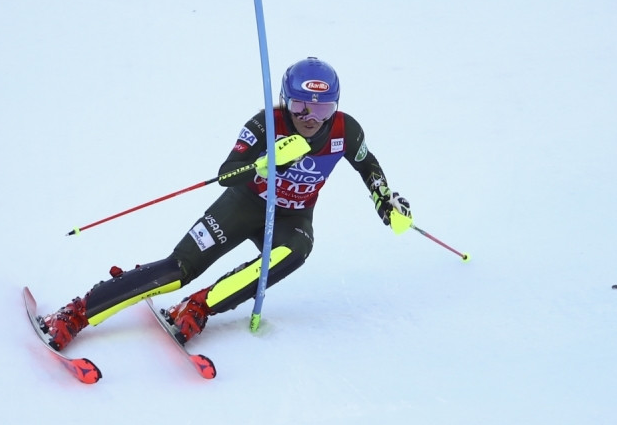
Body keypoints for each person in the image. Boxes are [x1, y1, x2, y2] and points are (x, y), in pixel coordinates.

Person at [39, 57, 413, 350]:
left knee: (297, 250)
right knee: (177, 270)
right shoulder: (266, 124)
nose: (309, 118)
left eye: (322, 110)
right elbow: (227, 173)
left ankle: (197, 307)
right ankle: (77, 312)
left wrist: (385, 202)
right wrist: (266, 162)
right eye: (300, 106)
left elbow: (368, 166)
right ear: (286, 101)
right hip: (244, 204)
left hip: (292, 217)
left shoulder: (346, 130)